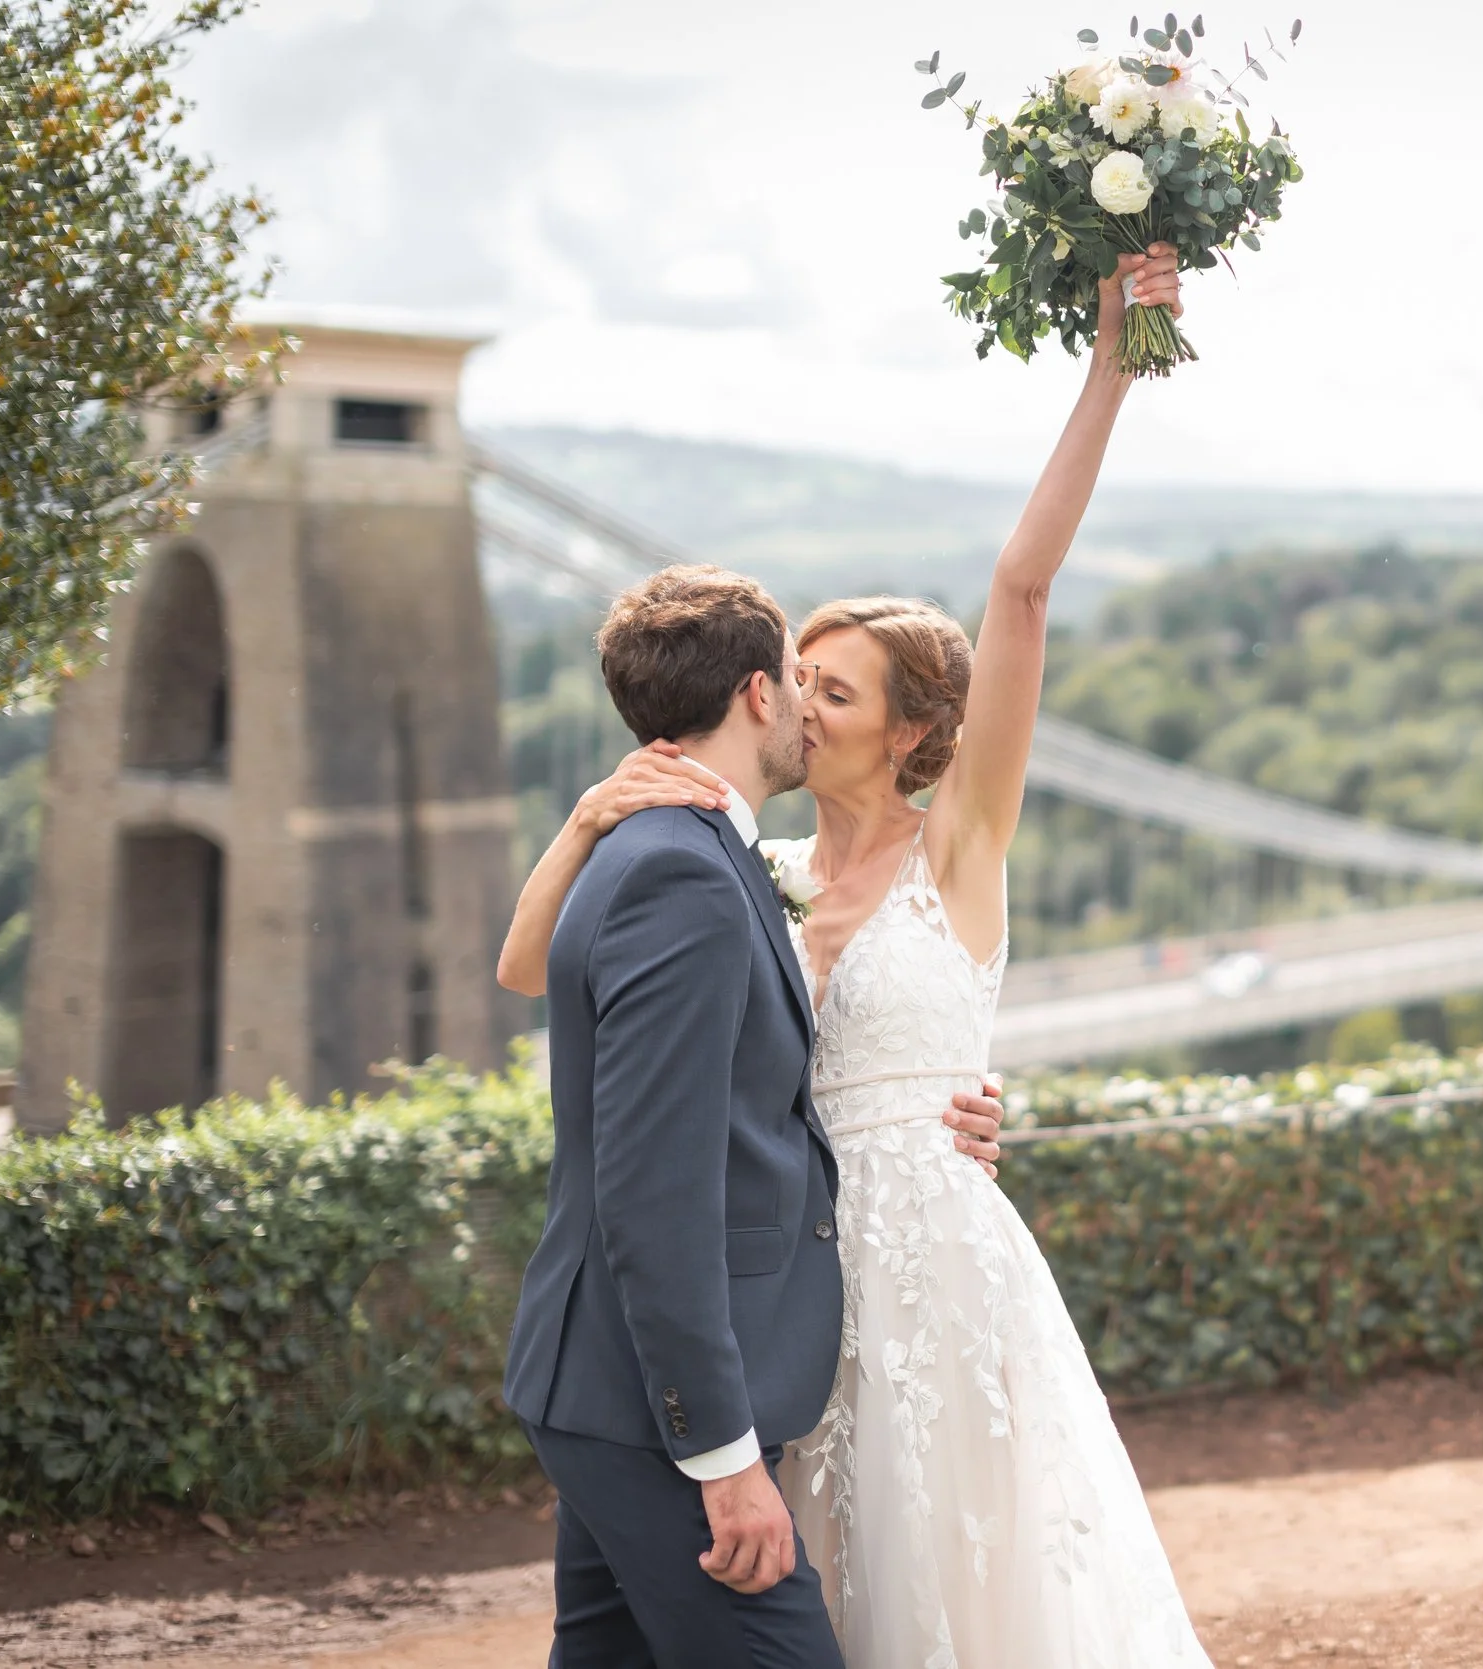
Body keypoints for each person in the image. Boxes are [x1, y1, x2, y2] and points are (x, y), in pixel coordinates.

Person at [505, 244, 1209, 1666]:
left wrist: (1109, 372)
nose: (803, 707)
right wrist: (588, 814)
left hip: (936, 1279)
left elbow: (1018, 593)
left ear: (906, 731)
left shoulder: (960, 854)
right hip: (788, 1299)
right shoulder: (741, 874)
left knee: (964, 1596)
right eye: (798, 682)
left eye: (838, 689)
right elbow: (528, 969)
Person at [498, 565, 1006, 1669]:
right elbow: (652, 1195)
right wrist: (724, 1458)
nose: (808, 705)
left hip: (620, 1386)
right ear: (758, 695)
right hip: (656, 1406)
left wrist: (938, 1109)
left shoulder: (695, 855)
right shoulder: (680, 871)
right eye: (797, 677)